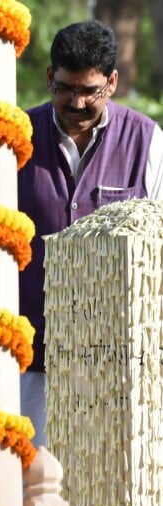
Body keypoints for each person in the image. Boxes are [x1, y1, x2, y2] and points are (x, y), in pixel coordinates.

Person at [18, 20, 163, 447]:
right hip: (31, 360)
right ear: (49, 77)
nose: (77, 102)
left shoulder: (148, 142)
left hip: (118, 361)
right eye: (65, 88)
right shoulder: (15, 141)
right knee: (31, 490)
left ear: (113, 82)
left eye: (91, 91)